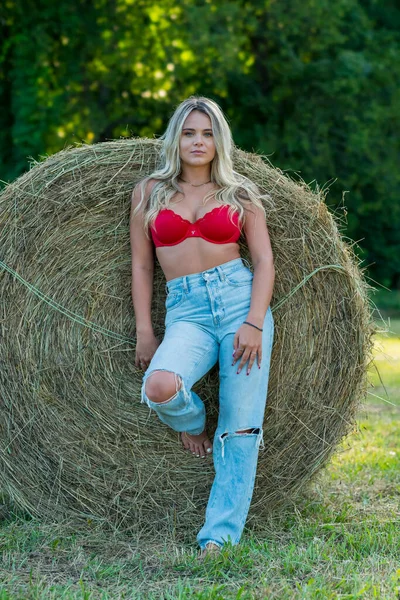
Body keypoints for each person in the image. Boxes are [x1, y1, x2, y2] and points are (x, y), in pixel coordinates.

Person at [130, 95, 275, 556]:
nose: (198, 141)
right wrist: (145, 331)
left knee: (240, 426)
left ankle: (219, 535)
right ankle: (193, 424)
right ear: (177, 138)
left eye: (208, 133)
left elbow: (265, 261)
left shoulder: (240, 193)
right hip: (187, 311)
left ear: (219, 140)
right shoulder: (149, 191)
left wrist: (253, 321)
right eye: (190, 132)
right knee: (160, 386)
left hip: (239, 303)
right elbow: (141, 266)